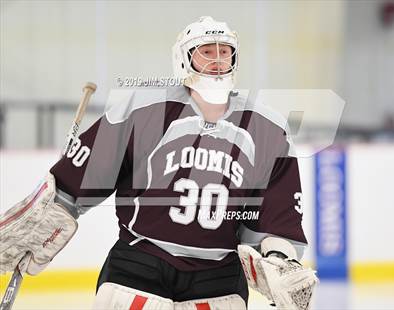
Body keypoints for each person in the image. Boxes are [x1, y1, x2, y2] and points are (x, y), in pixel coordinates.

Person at [0, 16, 317, 309]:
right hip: (141, 262)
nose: (218, 60)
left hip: (218, 276)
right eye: (206, 51)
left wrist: (279, 256)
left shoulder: (267, 127)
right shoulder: (144, 108)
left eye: (225, 52)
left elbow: (279, 209)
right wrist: (58, 204)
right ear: (184, 58)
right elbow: (86, 170)